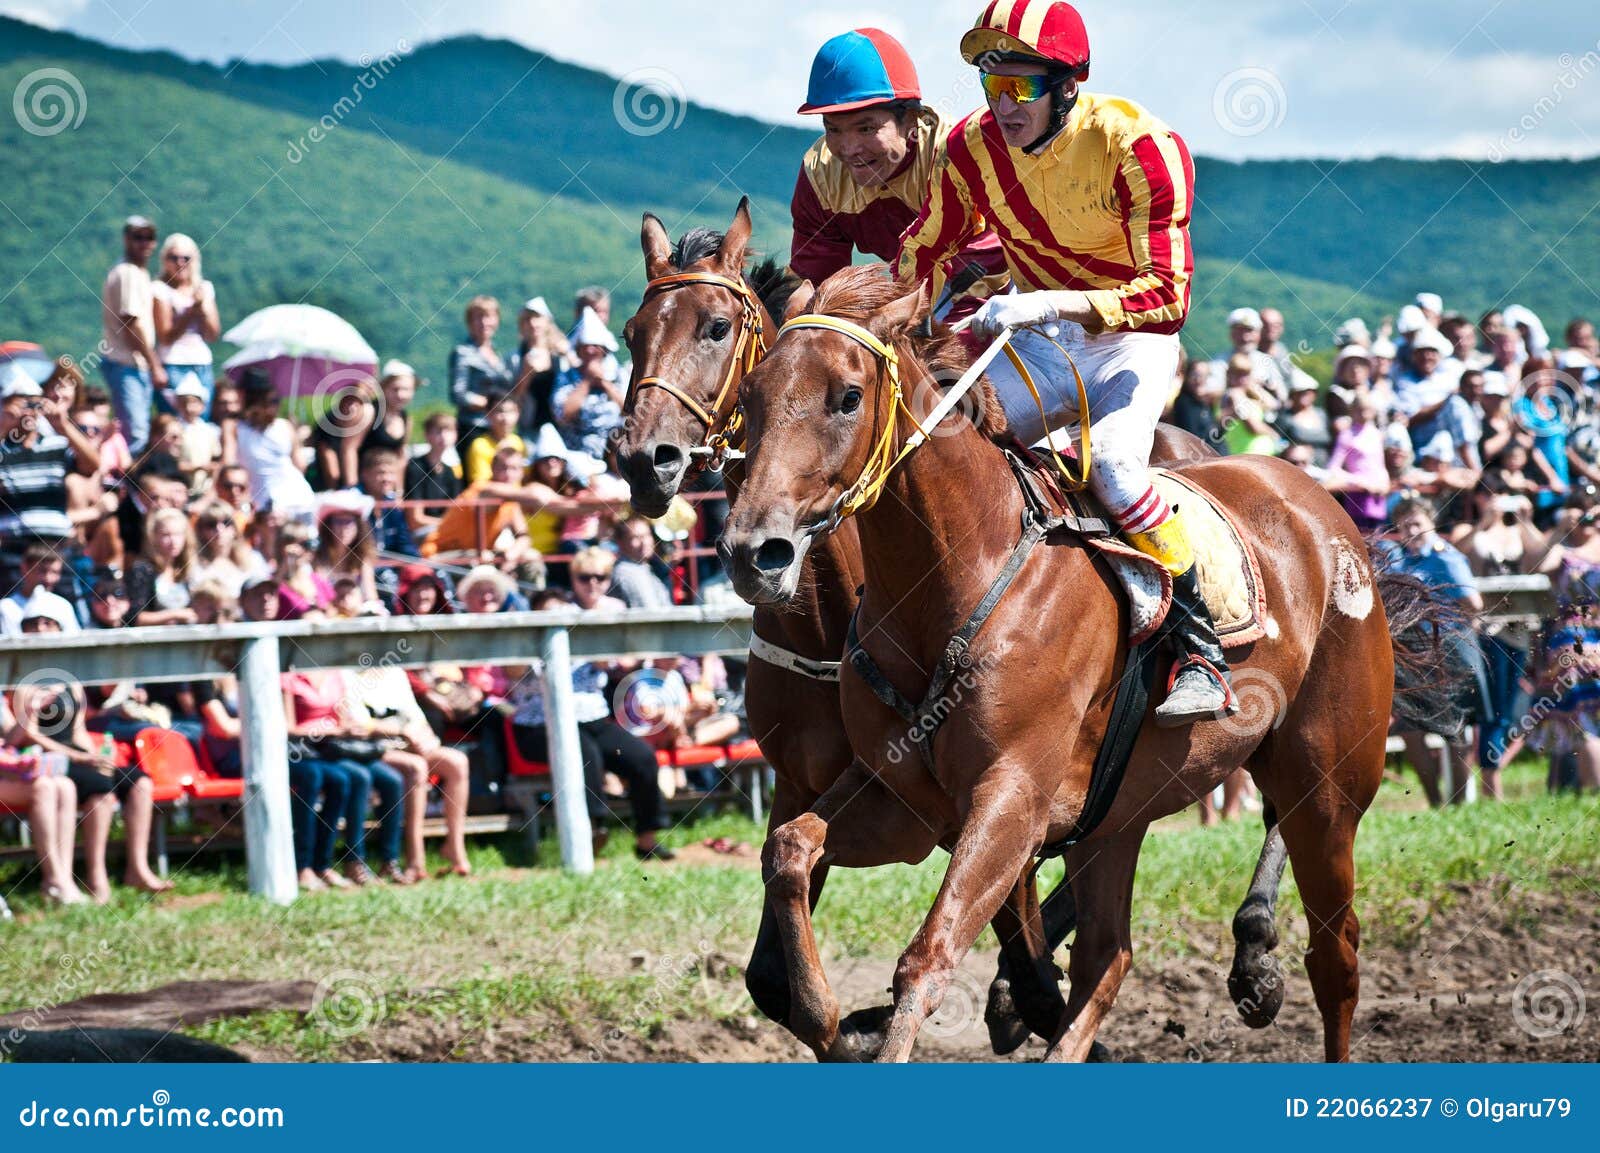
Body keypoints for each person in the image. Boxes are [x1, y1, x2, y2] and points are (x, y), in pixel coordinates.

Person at [896, 0, 1233, 722]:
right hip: (1040, 341)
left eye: (1021, 88)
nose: (1004, 106)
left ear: (1067, 86)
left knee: (1113, 468)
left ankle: (1202, 647)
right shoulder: (970, 147)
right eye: (993, 87)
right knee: (935, 437)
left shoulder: (1139, 144)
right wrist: (883, 320)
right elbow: (927, 245)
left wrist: (1049, 302)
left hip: (1128, 341)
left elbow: (1168, 299)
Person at [789, 28, 1006, 315]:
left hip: (1010, 288)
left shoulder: (959, 151)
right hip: (914, 295)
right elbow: (816, 281)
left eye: (866, 128)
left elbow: (992, 259)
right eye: (833, 129)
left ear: (912, 119)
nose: (849, 148)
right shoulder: (820, 173)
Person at [8, 613, 172, 898]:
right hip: (50, 758)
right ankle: (97, 876)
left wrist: (95, 755)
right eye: (33, 624)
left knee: (139, 781)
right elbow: (29, 735)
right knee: (101, 793)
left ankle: (138, 867)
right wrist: (80, 757)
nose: (41, 629)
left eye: (48, 623)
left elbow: (79, 728)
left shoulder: (69, 681)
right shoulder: (25, 682)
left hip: (77, 754)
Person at [1383, 499, 1489, 807]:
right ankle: (1434, 800)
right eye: (1405, 525)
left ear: (1430, 522)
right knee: (1409, 727)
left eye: (1417, 523)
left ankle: (1457, 802)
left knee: (1456, 727)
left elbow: (1474, 603)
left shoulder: (1447, 557)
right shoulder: (1399, 560)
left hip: (1448, 648)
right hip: (1412, 653)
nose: (1411, 530)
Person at [0, 366, 101, 576]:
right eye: (21, 404)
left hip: (57, 549)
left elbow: (92, 465)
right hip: (14, 550)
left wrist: (63, 425)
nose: (28, 412)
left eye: (34, 404)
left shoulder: (57, 445)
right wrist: (4, 424)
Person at [0, 693, 85, 904]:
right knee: (44, 787)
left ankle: (64, 878)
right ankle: (54, 879)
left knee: (65, 786)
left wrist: (29, 711)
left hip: (7, 771)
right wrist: (12, 764)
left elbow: (12, 738)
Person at [100, 215, 164, 454]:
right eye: (138, 237)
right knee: (135, 434)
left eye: (149, 238)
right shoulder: (127, 273)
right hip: (125, 362)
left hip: (132, 363)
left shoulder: (137, 272)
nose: (144, 243)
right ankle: (127, 486)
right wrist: (154, 363)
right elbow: (129, 323)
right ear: (126, 239)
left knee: (139, 430)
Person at [225, 370, 315, 518]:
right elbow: (301, 465)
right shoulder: (286, 425)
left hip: (265, 507)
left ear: (242, 394)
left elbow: (228, 465)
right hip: (301, 498)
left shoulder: (232, 426)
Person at [150, 232, 221, 410]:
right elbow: (166, 336)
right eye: (174, 258)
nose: (180, 263)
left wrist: (202, 311)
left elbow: (212, 334)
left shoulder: (204, 288)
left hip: (201, 362)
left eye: (186, 258)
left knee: (200, 419)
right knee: (174, 419)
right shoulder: (159, 289)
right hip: (172, 362)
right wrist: (191, 312)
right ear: (165, 260)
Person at [552, 308, 627, 461]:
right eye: (585, 346)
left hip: (614, 454)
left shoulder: (618, 374)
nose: (590, 350)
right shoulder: (566, 376)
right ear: (578, 349)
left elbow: (631, 411)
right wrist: (586, 382)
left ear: (604, 349)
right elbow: (562, 414)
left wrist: (605, 384)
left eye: (595, 345)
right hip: (576, 454)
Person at [449, 296, 513, 456]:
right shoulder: (462, 353)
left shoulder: (497, 353)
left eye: (489, 316)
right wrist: (489, 406)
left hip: (498, 428)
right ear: (469, 322)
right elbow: (458, 395)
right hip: (473, 427)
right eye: (478, 317)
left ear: (497, 320)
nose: (484, 322)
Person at [124, 507, 197, 626]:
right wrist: (175, 614)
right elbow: (133, 618)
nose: (173, 541)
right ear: (154, 537)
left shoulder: (185, 570)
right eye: (166, 535)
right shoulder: (143, 570)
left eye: (178, 534)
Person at [510, 297, 569, 434]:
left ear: (547, 321)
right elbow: (512, 400)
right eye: (527, 319)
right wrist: (526, 374)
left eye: (537, 317)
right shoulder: (514, 359)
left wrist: (569, 356)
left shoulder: (562, 355)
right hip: (530, 428)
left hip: (562, 429)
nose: (532, 323)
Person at [403, 412, 461, 546]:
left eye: (449, 431)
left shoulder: (450, 472)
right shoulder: (415, 468)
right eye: (438, 431)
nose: (444, 437)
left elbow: (456, 511)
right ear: (427, 435)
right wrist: (447, 524)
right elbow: (415, 520)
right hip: (423, 535)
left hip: (445, 530)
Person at [0, 543, 82, 635]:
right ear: (24, 568)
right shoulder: (6, 608)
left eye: (55, 572)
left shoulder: (64, 606)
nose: (49, 578)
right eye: (42, 571)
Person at [610, 515, 674, 608]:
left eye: (646, 535)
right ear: (621, 543)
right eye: (635, 537)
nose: (644, 543)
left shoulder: (643, 567)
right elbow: (649, 613)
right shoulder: (626, 572)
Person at [463, 393, 524, 484]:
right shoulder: (479, 445)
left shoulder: (519, 443)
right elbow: (480, 485)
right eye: (499, 411)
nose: (505, 418)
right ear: (488, 414)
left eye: (511, 411)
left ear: (518, 413)